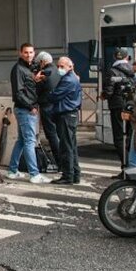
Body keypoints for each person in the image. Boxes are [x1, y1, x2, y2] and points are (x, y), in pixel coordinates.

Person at [6, 43, 47, 183]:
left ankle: (12, 170)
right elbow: (18, 93)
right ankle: (34, 174)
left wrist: (35, 79)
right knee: (30, 141)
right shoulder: (18, 69)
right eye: (25, 52)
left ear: (34, 53)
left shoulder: (29, 69)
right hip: (25, 109)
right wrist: (31, 107)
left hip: (26, 108)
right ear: (20, 53)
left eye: (30, 52)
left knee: (22, 140)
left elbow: (28, 88)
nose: (28, 55)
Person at [47, 56, 83, 184]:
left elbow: (54, 96)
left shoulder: (68, 80)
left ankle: (68, 175)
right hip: (69, 115)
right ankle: (75, 174)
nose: (59, 69)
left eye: (62, 66)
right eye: (58, 66)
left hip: (66, 115)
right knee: (71, 146)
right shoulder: (72, 78)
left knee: (66, 146)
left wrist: (50, 92)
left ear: (70, 67)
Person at [101, 48, 135, 167]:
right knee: (131, 135)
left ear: (115, 57)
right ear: (127, 58)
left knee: (119, 136)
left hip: (117, 106)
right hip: (131, 106)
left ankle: (125, 166)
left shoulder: (112, 71)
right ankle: (132, 164)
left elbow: (108, 91)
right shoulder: (133, 70)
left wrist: (103, 95)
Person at [33, 51, 61, 169]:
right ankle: (63, 161)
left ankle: (59, 161)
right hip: (58, 106)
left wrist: (35, 80)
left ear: (42, 62)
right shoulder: (58, 71)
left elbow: (36, 90)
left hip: (47, 106)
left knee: (51, 135)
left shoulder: (45, 73)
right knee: (59, 134)